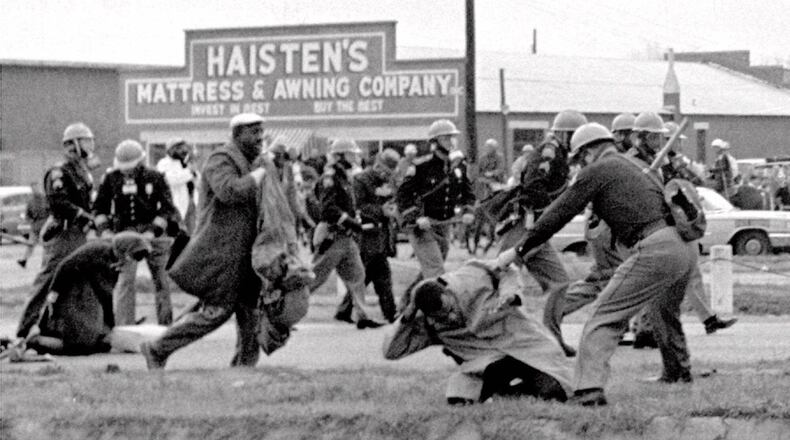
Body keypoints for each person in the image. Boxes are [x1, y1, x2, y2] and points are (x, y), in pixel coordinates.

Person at [500, 122, 699, 406]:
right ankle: (678, 371)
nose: (579, 164)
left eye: (580, 157)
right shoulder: (631, 165)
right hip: (684, 246)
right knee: (663, 311)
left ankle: (588, 390)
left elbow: (560, 213)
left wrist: (519, 250)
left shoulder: (597, 170)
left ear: (590, 150)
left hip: (656, 246)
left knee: (603, 317)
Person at [140, 113, 268, 370]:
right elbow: (229, 191)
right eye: (253, 131)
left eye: (261, 131)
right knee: (216, 312)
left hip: (244, 253)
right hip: (222, 252)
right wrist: (258, 176)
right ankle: (157, 348)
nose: (259, 137)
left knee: (250, 311)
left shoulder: (249, 161)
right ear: (237, 133)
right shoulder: (220, 160)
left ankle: (245, 367)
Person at [383, 261, 573, 405]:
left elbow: (507, 268)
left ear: (448, 292)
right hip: (486, 363)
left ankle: (514, 393)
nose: (451, 317)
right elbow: (392, 352)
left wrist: (509, 293)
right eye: (442, 317)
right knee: (459, 400)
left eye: (450, 308)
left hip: (522, 344)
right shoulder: (426, 324)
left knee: (555, 391)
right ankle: (504, 394)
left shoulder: (471, 276)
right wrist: (406, 318)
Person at [498, 110, 586, 357]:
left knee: (559, 283)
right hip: (523, 226)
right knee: (501, 282)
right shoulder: (550, 152)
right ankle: (486, 336)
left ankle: (551, 339)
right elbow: (534, 185)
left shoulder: (562, 155)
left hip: (537, 229)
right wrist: (552, 210)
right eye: (573, 135)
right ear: (563, 134)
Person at [16, 123, 97, 340]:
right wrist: (84, 217)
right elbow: (59, 203)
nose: (91, 145)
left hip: (79, 235)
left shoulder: (83, 170)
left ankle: (79, 328)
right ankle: (25, 328)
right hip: (63, 235)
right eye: (86, 140)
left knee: (81, 281)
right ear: (74, 144)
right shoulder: (59, 172)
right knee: (49, 279)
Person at [94, 140, 179, 326]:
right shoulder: (111, 179)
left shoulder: (155, 177)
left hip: (152, 233)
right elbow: (99, 208)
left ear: (140, 162)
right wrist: (105, 231)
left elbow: (167, 209)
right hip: (124, 234)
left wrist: (152, 231)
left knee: (161, 280)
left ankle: (166, 324)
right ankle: (125, 325)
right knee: (125, 281)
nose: (126, 171)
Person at [24, 232, 151, 356]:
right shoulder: (98, 249)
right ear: (125, 248)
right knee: (80, 346)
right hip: (72, 296)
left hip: (87, 301)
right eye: (132, 256)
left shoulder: (114, 261)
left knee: (100, 345)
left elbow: (106, 295)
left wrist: (110, 325)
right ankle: (35, 341)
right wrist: (53, 295)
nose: (131, 261)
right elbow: (64, 266)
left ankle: (49, 340)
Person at [396, 119, 475, 306]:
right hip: (422, 227)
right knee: (436, 271)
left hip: (443, 226)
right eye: (446, 137)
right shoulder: (421, 166)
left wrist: (468, 210)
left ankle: (406, 305)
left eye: (452, 137)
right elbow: (403, 196)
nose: (451, 141)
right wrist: (416, 217)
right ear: (435, 141)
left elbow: (468, 193)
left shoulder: (458, 166)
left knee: (427, 272)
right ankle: (438, 315)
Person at [310, 138, 384, 330]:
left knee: (358, 275)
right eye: (351, 153)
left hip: (346, 236)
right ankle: (283, 313)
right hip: (332, 236)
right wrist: (352, 222)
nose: (355, 156)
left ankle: (362, 316)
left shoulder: (344, 177)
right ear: (341, 155)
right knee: (315, 278)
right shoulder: (330, 177)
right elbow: (328, 210)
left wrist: (354, 221)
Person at [334, 149, 402, 324]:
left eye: (389, 172)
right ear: (377, 164)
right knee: (368, 274)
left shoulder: (389, 181)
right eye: (384, 170)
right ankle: (389, 312)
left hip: (382, 235)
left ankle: (349, 309)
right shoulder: (361, 180)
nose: (386, 175)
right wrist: (381, 211)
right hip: (366, 234)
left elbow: (393, 200)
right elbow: (358, 206)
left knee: (376, 276)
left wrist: (392, 209)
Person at [156, 138, 198, 234]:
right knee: (178, 232)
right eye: (178, 148)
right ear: (171, 149)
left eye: (183, 147)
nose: (182, 150)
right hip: (175, 204)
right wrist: (189, 172)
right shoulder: (164, 163)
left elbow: (197, 180)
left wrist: (194, 172)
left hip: (191, 202)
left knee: (192, 233)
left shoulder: (186, 163)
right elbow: (171, 180)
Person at [17, 182, 49, 268]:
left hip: (45, 225)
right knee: (30, 244)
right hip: (35, 226)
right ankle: (24, 260)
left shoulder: (46, 199)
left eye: (36, 188)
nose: (35, 190)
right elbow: (28, 214)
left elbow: (50, 211)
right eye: (33, 189)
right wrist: (29, 221)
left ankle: (45, 263)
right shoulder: (31, 202)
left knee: (46, 245)